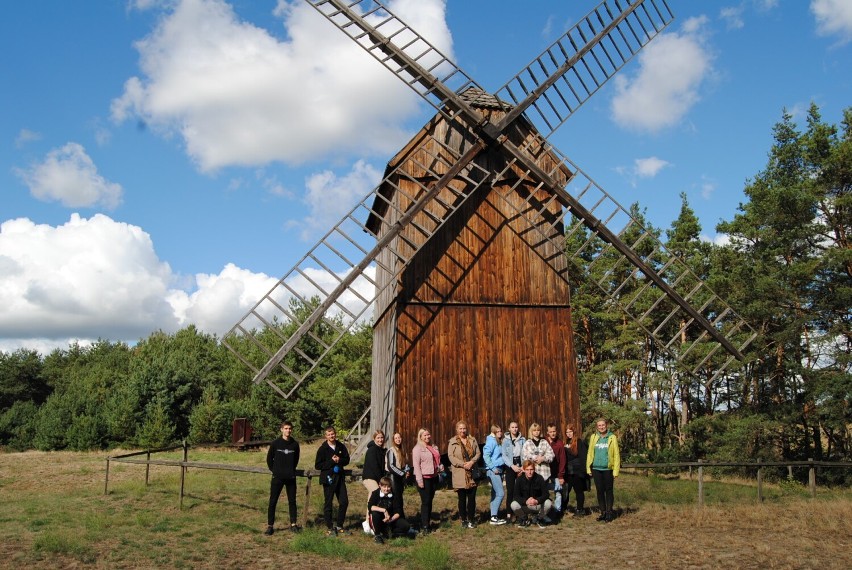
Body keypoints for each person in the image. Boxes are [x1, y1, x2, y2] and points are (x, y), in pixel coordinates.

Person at [265, 421, 300, 535]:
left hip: (290, 477)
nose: (288, 430)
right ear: (281, 430)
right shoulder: (275, 444)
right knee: (273, 501)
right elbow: (269, 459)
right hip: (277, 477)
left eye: (290, 428)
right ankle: (270, 526)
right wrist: (275, 471)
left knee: (292, 501)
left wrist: (290, 470)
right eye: (286, 428)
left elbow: (296, 460)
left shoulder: (295, 444)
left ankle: (293, 524)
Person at [315, 426, 351, 535]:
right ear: (326, 436)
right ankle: (330, 527)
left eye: (333, 434)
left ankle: (339, 525)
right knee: (328, 503)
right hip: (328, 479)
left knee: (344, 502)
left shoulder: (340, 446)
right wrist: (331, 461)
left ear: (335, 434)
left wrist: (339, 460)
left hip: (339, 478)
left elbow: (347, 460)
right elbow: (318, 465)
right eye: (329, 434)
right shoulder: (322, 449)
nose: (332, 436)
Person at [586, 418, 621, 522]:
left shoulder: (612, 437)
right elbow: (590, 453)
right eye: (599, 425)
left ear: (606, 425)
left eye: (603, 425)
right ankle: (603, 512)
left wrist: (615, 471)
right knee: (599, 491)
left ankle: (609, 512)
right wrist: (588, 468)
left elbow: (616, 454)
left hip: (608, 469)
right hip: (596, 468)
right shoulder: (593, 437)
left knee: (608, 491)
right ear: (597, 427)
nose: (601, 427)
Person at [447, 420, 481, 528]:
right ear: (457, 430)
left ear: (467, 429)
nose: (462, 430)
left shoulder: (472, 440)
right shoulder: (452, 442)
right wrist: (463, 464)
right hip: (460, 473)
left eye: (464, 428)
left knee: (471, 498)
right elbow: (451, 457)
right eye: (460, 428)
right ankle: (463, 520)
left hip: (472, 473)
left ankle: (471, 519)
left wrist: (472, 462)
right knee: (462, 499)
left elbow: (478, 453)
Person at [412, 427, 443, 535]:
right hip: (424, 478)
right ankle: (425, 525)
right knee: (425, 502)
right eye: (424, 435)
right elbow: (416, 466)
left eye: (428, 434)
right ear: (420, 437)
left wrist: (440, 466)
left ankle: (427, 522)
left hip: (433, 477)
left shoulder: (434, 447)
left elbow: (437, 460)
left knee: (430, 501)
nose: (427, 437)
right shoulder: (417, 449)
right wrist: (419, 480)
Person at [368, 476, 411, 544]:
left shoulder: (395, 495)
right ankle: (378, 535)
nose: (386, 489)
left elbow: (398, 512)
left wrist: (390, 520)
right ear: (380, 486)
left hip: (391, 518)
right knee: (375, 514)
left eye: (388, 487)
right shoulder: (375, 493)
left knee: (406, 526)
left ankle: (389, 533)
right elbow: (371, 507)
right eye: (384, 487)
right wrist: (384, 510)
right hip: (379, 518)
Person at [510, 459, 553, 527]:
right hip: (525, 505)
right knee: (513, 504)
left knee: (548, 503)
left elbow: (546, 494)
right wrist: (526, 501)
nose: (529, 472)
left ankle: (539, 518)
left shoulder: (539, 478)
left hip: (537, 505)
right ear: (524, 470)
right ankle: (524, 518)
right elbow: (516, 496)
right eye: (527, 470)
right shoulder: (519, 479)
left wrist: (537, 500)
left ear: (534, 469)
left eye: (531, 469)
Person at [482, 424, 507, 525]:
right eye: (497, 432)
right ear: (493, 432)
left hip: (500, 469)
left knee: (494, 493)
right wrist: (492, 467)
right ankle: (493, 517)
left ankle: (493, 516)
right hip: (494, 470)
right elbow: (486, 455)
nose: (500, 433)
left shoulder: (499, 441)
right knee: (500, 493)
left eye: (500, 431)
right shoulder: (491, 441)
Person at [563, 424, 589, 517]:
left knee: (579, 491)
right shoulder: (566, 442)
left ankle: (580, 510)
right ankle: (563, 509)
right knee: (566, 491)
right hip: (568, 471)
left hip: (577, 471)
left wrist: (583, 471)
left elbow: (583, 457)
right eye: (567, 432)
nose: (568, 434)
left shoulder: (579, 442)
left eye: (570, 431)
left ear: (574, 432)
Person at [501, 420, 525, 521]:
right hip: (510, 466)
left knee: (520, 490)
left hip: (520, 464)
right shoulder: (505, 440)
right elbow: (504, 455)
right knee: (510, 490)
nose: (515, 429)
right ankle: (509, 514)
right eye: (512, 427)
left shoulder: (522, 439)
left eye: (516, 427)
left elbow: (525, 452)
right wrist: (511, 465)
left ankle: (520, 513)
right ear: (509, 429)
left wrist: (523, 467)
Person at [385, 432, 410, 515]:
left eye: (399, 437)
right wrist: (402, 473)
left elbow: (406, 463)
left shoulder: (403, 450)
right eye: (396, 438)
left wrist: (407, 471)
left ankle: (399, 517)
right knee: (396, 498)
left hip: (400, 478)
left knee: (400, 498)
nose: (398, 439)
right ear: (393, 440)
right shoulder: (391, 451)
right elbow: (390, 466)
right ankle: (396, 517)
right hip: (393, 477)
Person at [545, 423, 566, 520]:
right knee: (543, 490)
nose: (553, 433)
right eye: (551, 432)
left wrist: (561, 475)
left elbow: (562, 460)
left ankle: (558, 511)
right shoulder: (543, 441)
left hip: (556, 472)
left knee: (558, 491)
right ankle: (545, 510)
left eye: (554, 431)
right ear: (547, 432)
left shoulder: (559, 443)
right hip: (544, 471)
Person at [362, 430, 387, 497]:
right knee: (376, 493)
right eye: (378, 438)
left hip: (376, 478)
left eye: (382, 437)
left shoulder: (381, 450)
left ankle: (370, 507)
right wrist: (381, 480)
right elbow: (374, 466)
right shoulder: (372, 450)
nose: (380, 440)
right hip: (370, 478)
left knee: (372, 498)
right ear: (374, 439)